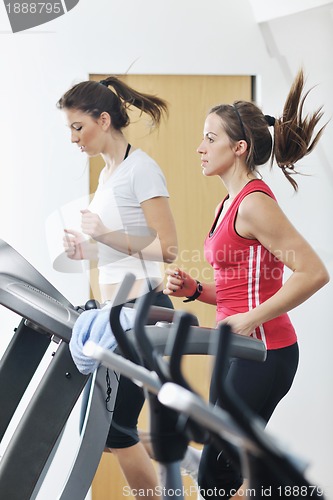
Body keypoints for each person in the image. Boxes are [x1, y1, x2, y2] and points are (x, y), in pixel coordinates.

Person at [163, 69, 329, 498]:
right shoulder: (227, 203)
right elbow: (243, 290)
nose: (200, 147)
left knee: (216, 478)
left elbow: (314, 272)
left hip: (264, 352)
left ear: (239, 148)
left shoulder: (254, 203)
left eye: (210, 138)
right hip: (235, 348)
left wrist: (247, 321)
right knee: (234, 474)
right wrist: (196, 291)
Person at [57, 76, 178, 499]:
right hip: (113, 316)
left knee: (116, 429)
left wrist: (104, 235)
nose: (73, 138)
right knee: (106, 429)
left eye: (77, 127)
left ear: (103, 120)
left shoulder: (140, 169)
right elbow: (119, 249)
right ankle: (175, 454)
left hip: (141, 310)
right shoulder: (108, 176)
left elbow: (168, 247)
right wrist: (85, 250)